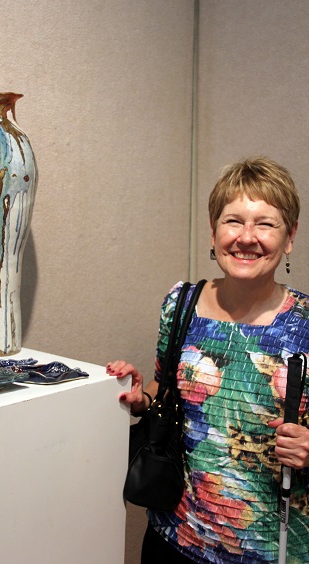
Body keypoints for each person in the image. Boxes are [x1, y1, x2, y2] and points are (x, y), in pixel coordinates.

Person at [107, 157, 309, 563]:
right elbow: (165, 388)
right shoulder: (180, 302)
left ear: (289, 237)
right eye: (233, 221)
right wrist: (141, 397)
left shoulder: (304, 324)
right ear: (213, 231)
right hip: (174, 537)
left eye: (265, 224)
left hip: (271, 549)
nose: (247, 237)